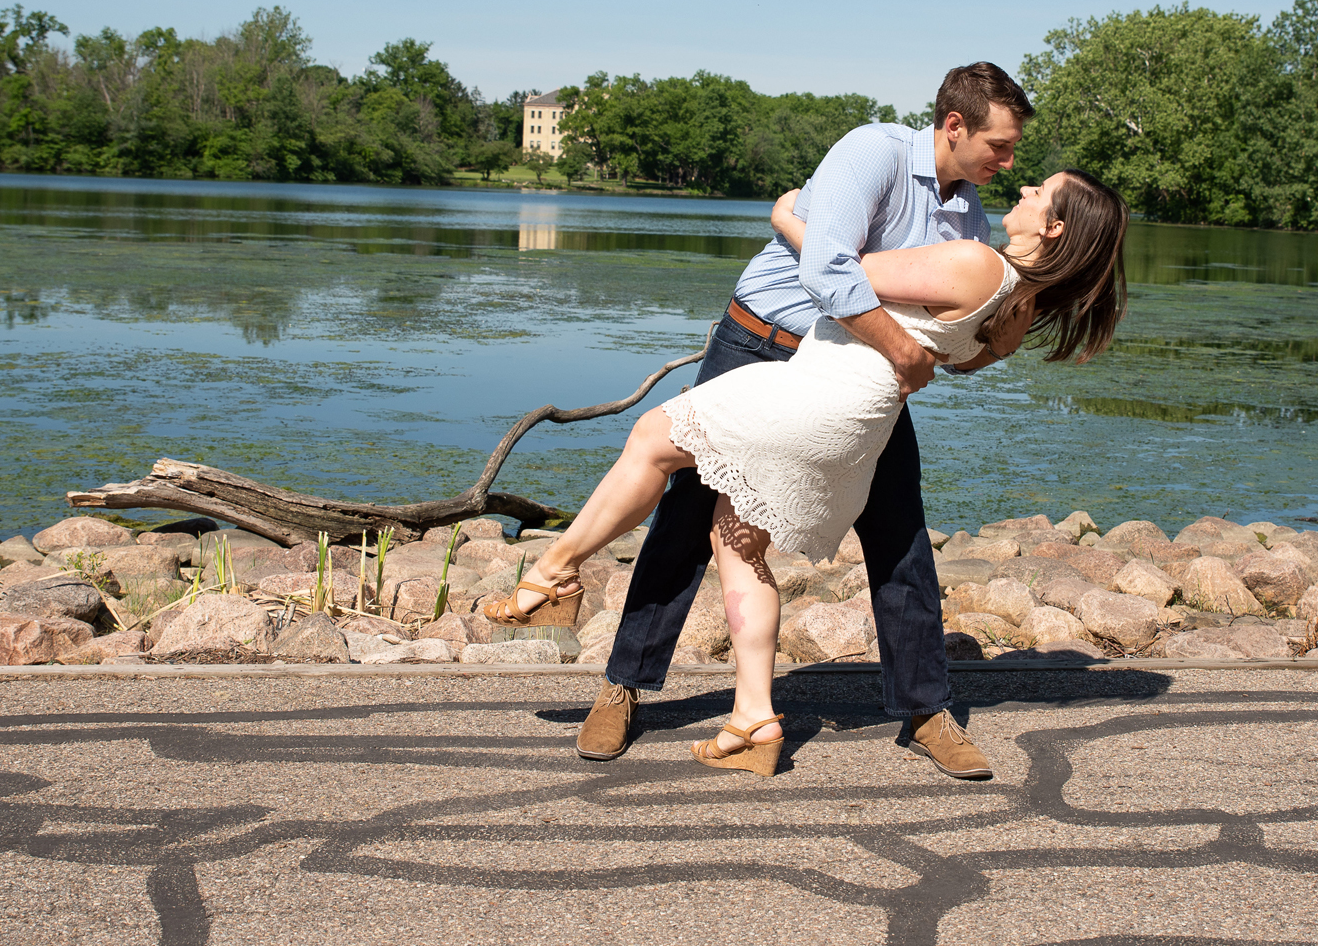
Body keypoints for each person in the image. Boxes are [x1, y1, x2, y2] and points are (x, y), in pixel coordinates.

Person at [483, 166, 1129, 776]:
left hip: (817, 395)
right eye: (1007, 152)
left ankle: (551, 575)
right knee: (735, 539)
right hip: (837, 397)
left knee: (653, 439)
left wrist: (787, 214)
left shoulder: (975, 255)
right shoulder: (1022, 302)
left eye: (1039, 188)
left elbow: (832, 267)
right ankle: (749, 720)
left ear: (1055, 227)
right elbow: (954, 363)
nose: (1018, 177)